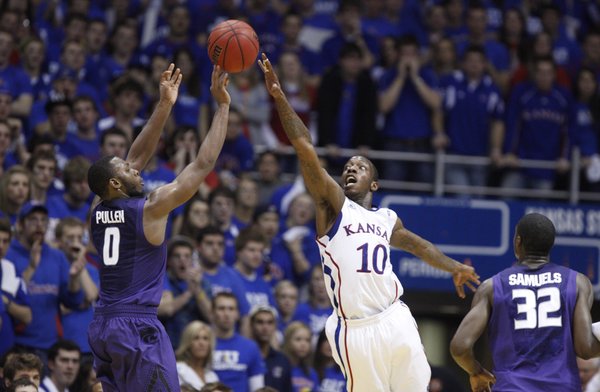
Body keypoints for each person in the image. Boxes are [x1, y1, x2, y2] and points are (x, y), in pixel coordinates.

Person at [259, 52, 479, 391]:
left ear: (374, 184)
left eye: (359, 167)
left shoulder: (387, 218)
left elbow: (418, 245)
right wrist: (280, 98)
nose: (350, 169)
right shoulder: (332, 207)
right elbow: (305, 149)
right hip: (355, 328)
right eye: (347, 166)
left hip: (395, 316)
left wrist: (454, 268)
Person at [86, 64, 230, 391]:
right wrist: (222, 107)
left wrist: (164, 104)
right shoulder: (150, 209)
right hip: (137, 326)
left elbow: (135, 157)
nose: (137, 170)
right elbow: (202, 165)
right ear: (115, 183)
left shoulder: (96, 209)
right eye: (127, 171)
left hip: (103, 327)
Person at [450, 213, 600, 392]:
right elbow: (585, 349)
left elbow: (460, 347)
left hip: (512, 387)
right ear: (550, 244)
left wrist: (476, 372)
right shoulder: (577, 283)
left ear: (518, 241)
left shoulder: (491, 287)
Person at [211, 292, 266, 392]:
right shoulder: (203, 345)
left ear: (237, 314)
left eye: (231, 309)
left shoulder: (250, 347)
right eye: (221, 308)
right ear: (212, 312)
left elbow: (258, 388)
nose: (226, 314)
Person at [249, 305, 293, 392]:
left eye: (270, 322)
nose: (265, 327)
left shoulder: (283, 360)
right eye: (260, 322)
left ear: (275, 326)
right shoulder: (244, 356)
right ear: (251, 325)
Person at [175, 321, 219, 390]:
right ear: (188, 343)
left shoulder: (212, 377)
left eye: (205, 338)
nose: (201, 343)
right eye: (196, 338)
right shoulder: (177, 371)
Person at [281, 321, 319, 392]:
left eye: (307, 340)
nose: (303, 344)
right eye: (298, 339)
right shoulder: (279, 369)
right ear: (288, 341)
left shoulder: (311, 373)